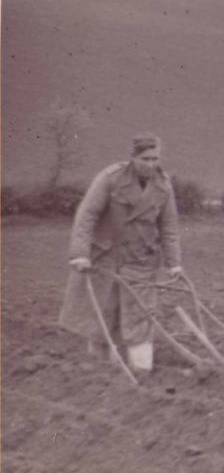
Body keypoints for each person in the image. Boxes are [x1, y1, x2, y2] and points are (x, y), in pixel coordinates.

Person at [58, 133, 183, 373]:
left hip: (141, 260)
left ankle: (141, 370)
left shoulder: (163, 185)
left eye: (154, 158)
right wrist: (80, 253)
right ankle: (102, 371)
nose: (150, 164)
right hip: (107, 258)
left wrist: (173, 262)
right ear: (133, 158)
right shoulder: (110, 179)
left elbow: (169, 226)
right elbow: (87, 216)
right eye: (145, 159)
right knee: (104, 314)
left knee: (141, 316)